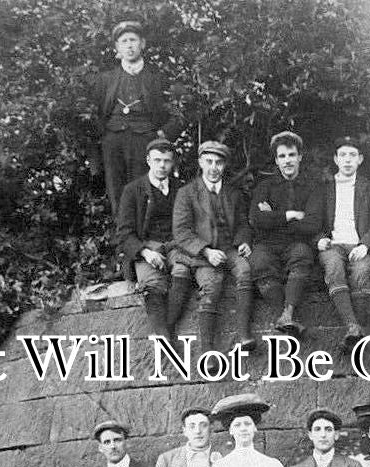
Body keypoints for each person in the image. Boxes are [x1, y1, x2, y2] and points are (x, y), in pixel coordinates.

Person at [171, 141, 255, 352]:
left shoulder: (233, 193)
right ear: (200, 162)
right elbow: (181, 232)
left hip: (229, 248)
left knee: (245, 271)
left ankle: (245, 335)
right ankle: (208, 352)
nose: (213, 167)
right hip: (202, 255)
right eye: (208, 162)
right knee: (211, 286)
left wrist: (244, 241)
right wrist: (206, 251)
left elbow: (244, 223)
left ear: (224, 165)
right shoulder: (187, 193)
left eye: (218, 162)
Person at [94, 20, 182, 216]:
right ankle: (123, 242)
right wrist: (103, 137)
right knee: (116, 192)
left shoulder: (158, 78)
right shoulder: (105, 79)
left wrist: (163, 135)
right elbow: (95, 113)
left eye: (133, 40)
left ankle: (145, 239)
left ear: (142, 43)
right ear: (117, 47)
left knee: (143, 191)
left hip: (146, 141)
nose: (129, 45)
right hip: (113, 141)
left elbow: (181, 111)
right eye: (123, 41)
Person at [311, 136, 370, 351]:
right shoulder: (324, 188)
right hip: (333, 245)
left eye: (352, 155)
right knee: (334, 267)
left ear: (360, 159)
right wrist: (319, 239)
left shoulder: (369, 188)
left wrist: (365, 245)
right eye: (343, 155)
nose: (347, 160)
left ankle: (356, 331)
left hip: (358, 244)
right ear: (336, 159)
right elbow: (312, 221)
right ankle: (353, 327)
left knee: (362, 271)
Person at [249, 130, 321, 338]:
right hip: (267, 244)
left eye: (291, 155)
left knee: (302, 255)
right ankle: (285, 316)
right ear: (276, 160)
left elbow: (313, 224)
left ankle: (287, 312)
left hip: (296, 243)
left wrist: (273, 217)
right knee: (259, 260)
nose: (287, 161)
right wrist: (290, 215)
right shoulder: (265, 186)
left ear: (299, 156)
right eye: (282, 156)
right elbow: (256, 219)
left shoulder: (312, 187)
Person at [115, 138, 183, 338]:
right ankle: (163, 337)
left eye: (167, 161)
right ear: (148, 161)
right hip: (146, 246)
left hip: (175, 245)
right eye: (157, 160)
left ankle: (166, 327)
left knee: (183, 270)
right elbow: (124, 232)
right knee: (152, 283)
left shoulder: (181, 189)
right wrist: (145, 252)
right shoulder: (132, 190)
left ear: (172, 163)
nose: (162, 165)